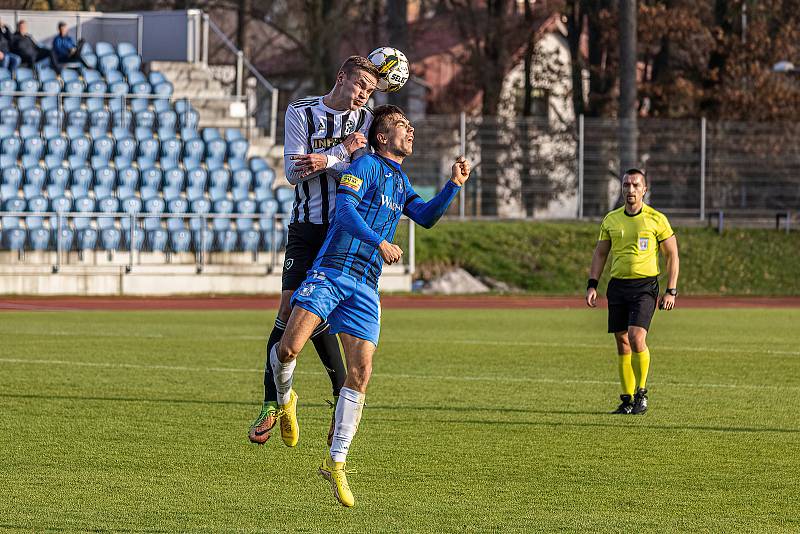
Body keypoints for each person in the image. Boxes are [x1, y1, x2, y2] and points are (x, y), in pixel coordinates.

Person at [270, 104, 471, 507]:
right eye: (402, 125)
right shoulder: (361, 166)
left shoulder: (401, 180)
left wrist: (453, 185)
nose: (410, 131)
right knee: (289, 347)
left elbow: (427, 218)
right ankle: (286, 397)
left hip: (365, 285)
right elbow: (343, 211)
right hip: (331, 271)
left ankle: (336, 463)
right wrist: (378, 241)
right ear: (381, 137)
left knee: (361, 374)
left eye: (411, 125)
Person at [248, 56, 380, 447]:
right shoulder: (301, 112)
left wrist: (325, 159)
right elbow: (293, 172)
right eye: (359, 85)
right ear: (341, 78)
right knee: (289, 309)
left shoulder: (367, 121)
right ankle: (273, 402)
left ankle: (340, 395)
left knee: (327, 311)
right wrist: (338, 154)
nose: (362, 95)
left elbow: (362, 173)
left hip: (343, 229)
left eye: (369, 91)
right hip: (306, 226)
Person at [585, 168, 680, 415]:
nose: (630, 190)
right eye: (626, 185)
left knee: (637, 337)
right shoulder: (611, 219)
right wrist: (592, 284)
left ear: (644, 189)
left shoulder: (656, 219)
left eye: (636, 185)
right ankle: (626, 400)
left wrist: (671, 290)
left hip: (645, 286)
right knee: (622, 342)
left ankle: (642, 393)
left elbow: (672, 255)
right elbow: (601, 253)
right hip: (618, 286)